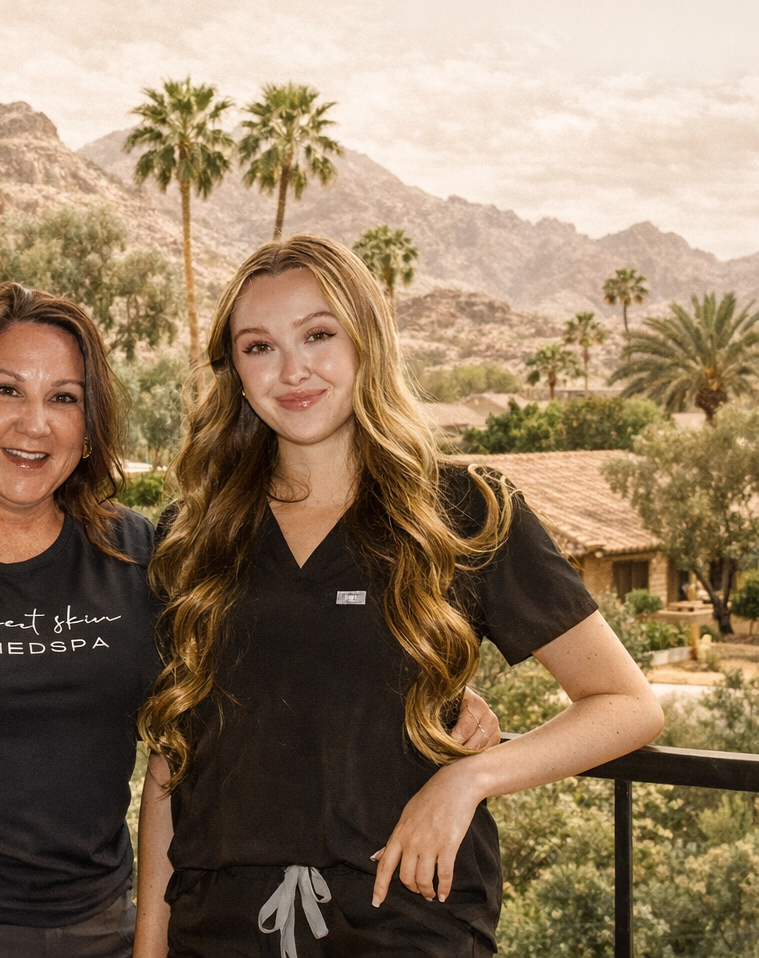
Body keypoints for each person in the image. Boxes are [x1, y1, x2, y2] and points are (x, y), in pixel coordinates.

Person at [0, 281, 501, 958]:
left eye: (65, 398)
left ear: (90, 428)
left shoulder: (137, 552)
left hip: (98, 930)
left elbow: (214, 702)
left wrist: (419, 686)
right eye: (6, 390)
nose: (34, 422)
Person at [133, 235, 665, 958]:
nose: (293, 370)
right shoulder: (192, 535)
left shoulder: (461, 510)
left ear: (365, 342)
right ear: (235, 372)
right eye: (259, 346)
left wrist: (472, 778)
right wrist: (150, 946)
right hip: (217, 933)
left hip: (410, 926)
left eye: (318, 335)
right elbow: (173, 759)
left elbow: (628, 704)